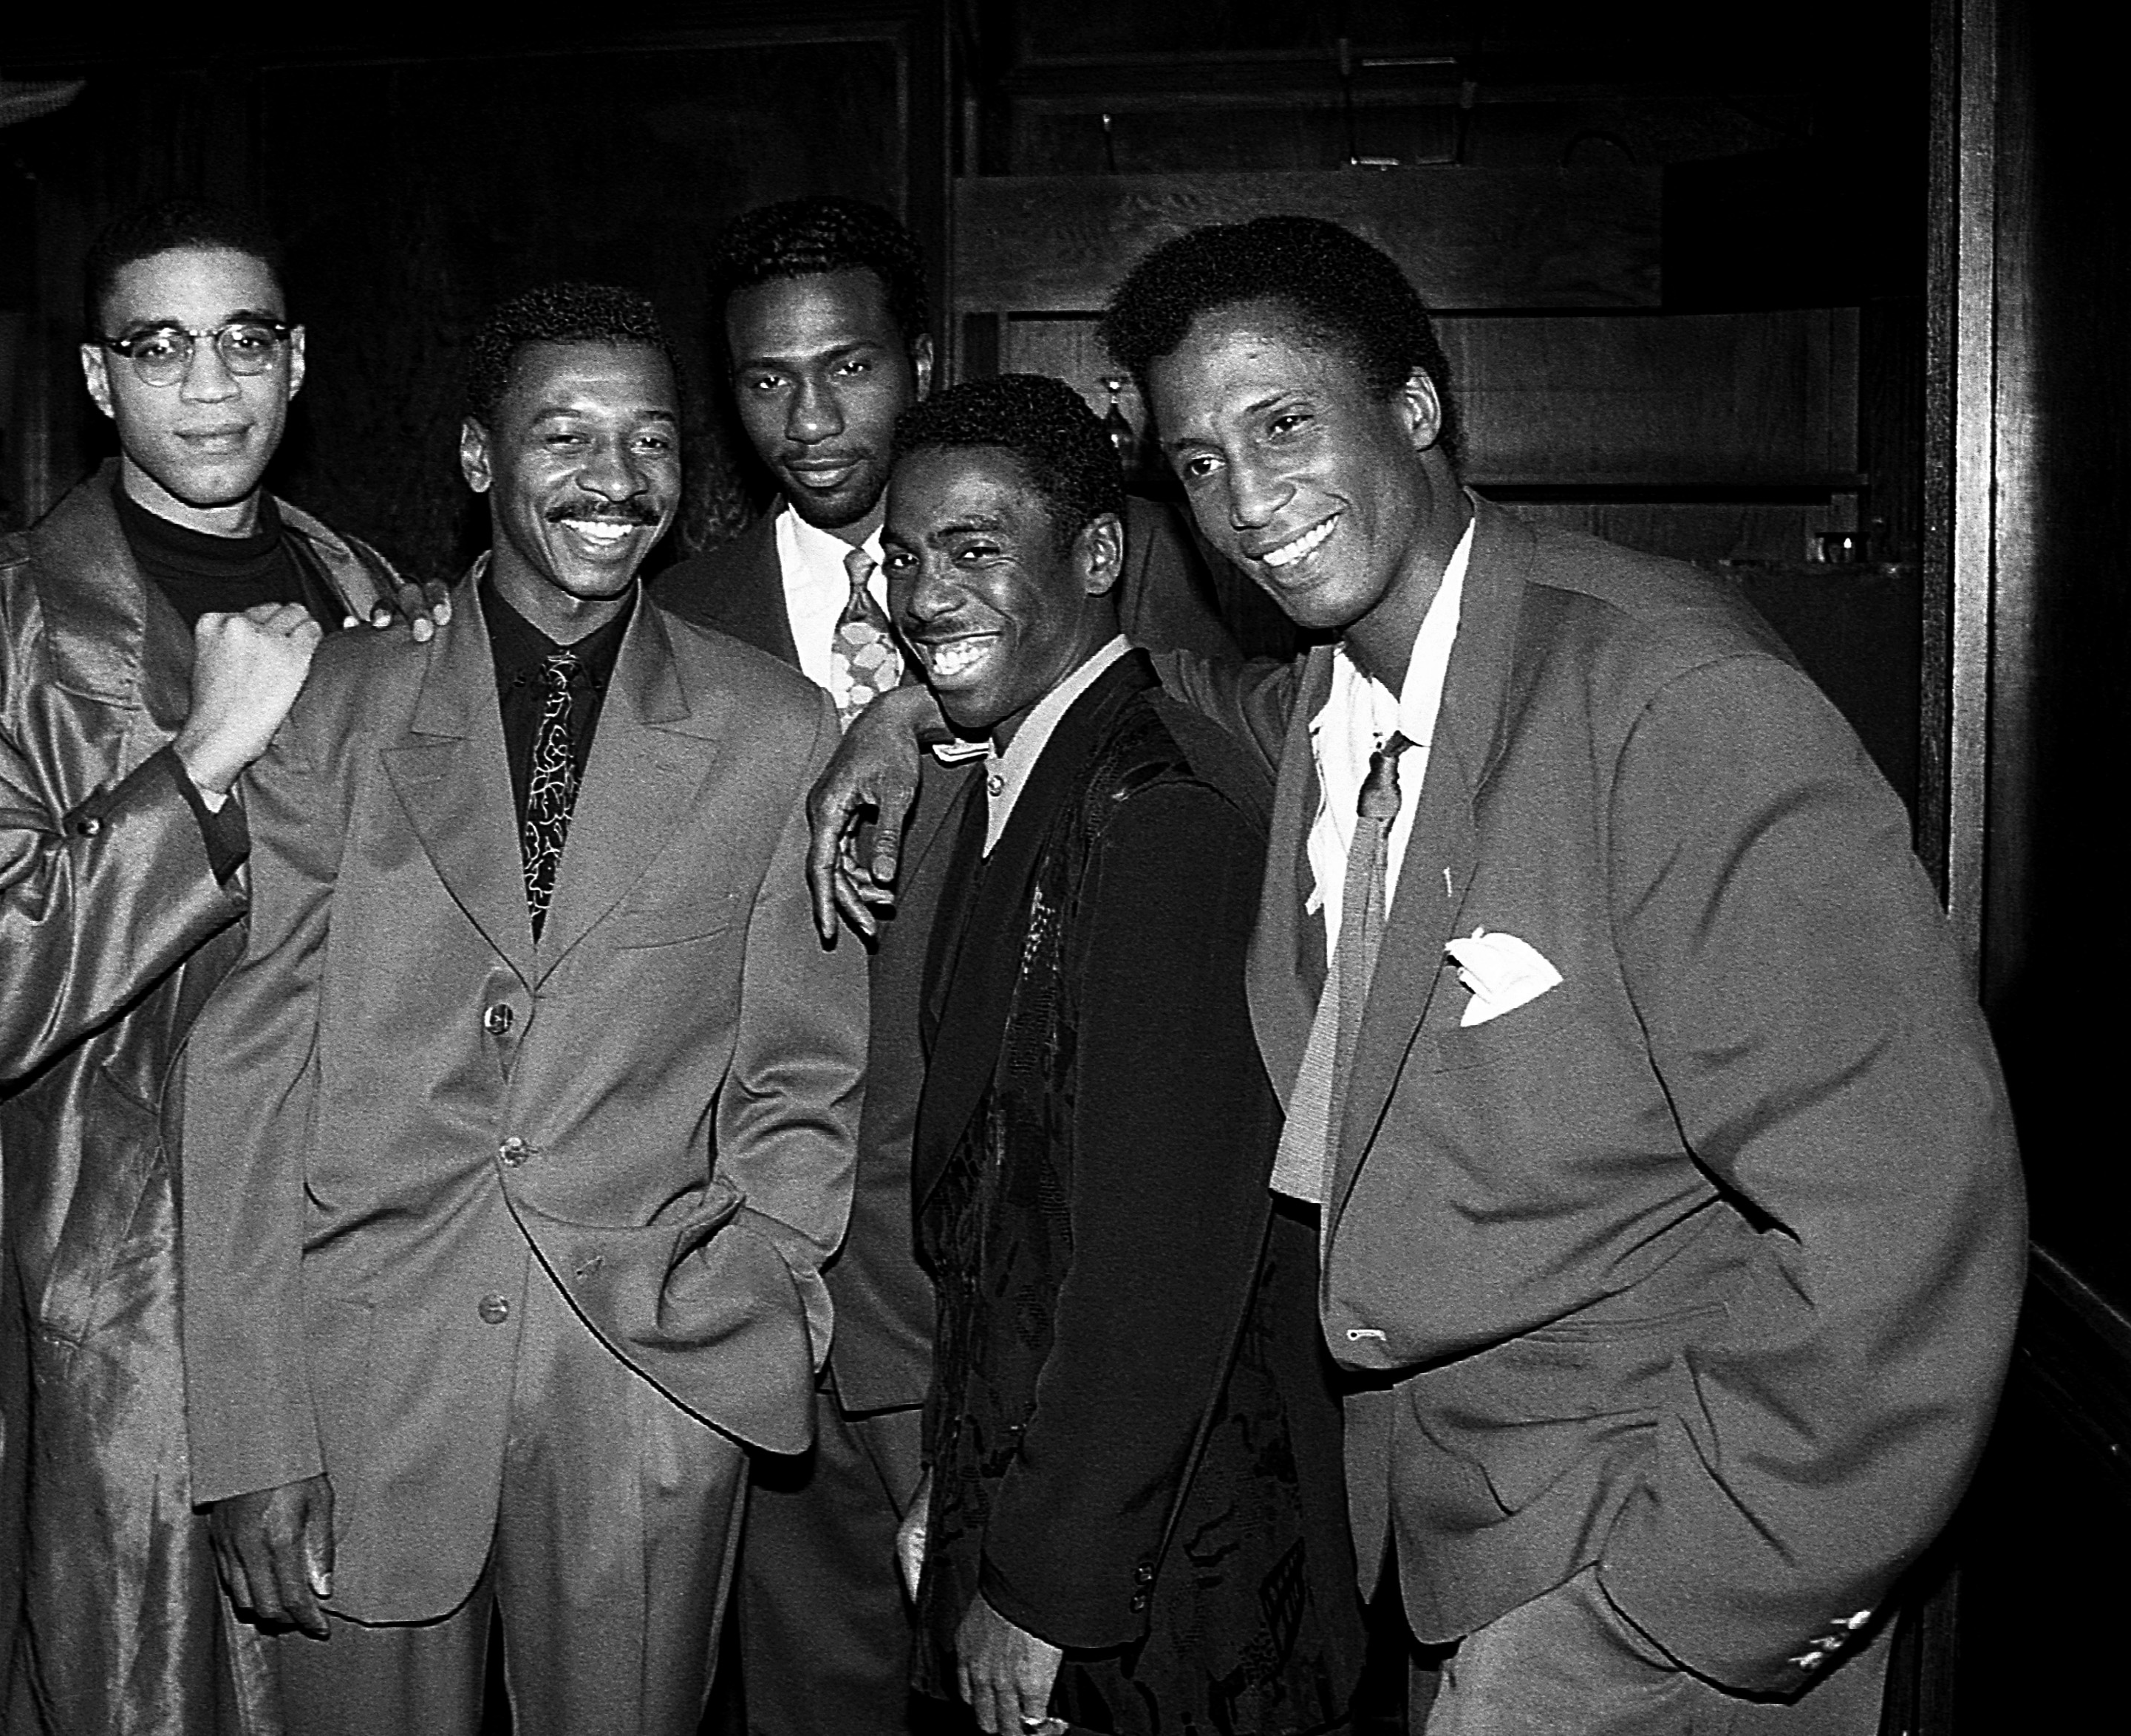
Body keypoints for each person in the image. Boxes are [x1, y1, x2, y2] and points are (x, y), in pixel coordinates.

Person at [814, 214, 2026, 1735]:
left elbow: (1908, 1205)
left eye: (1284, 426)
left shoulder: (1665, 695)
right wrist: (911, 709)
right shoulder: (1322, 707)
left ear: (1419, 406)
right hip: (1446, 1557)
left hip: (1646, 1576)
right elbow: (1121, 681)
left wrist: (1682, 1604)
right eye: (1198, 462)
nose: (1250, 502)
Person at [176, 282, 866, 1736]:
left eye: (653, 440)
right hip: (366, 1374)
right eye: (566, 434)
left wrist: (767, 1301)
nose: (614, 479)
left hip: (650, 1384)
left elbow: (802, 1071)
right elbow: (251, 1073)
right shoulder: (332, 703)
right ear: (482, 459)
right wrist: (248, 1424)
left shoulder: (777, 725)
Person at [655, 191, 1241, 1736]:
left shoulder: (1082, 583)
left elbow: (1212, 712)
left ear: (913, 357)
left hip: (992, 1285)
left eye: (845, 367)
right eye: (765, 380)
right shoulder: (673, 611)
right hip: (766, 1274)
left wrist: (906, 704)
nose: (808, 413)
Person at [0, 197, 437, 1736]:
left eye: (243, 340)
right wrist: (199, 764)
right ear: (99, 380)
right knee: (152, 1682)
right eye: (158, 345)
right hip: (138, 1265)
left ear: (296, 363)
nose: (208, 382)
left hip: (376, 1239)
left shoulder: (368, 589)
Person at [882, 375, 1366, 1736]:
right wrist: (964, 1486)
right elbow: (1011, 1213)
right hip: (1062, 1516)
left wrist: (1044, 1581)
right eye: (903, 558)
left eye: (975, 550)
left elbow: (1154, 1263)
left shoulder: (1161, 813)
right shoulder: (1025, 765)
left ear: (1096, 556)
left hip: (1179, 1591)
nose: (924, 594)